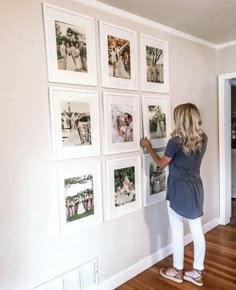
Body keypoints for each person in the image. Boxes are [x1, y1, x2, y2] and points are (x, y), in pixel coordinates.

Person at [140, 103, 208, 287]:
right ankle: (197, 273)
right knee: (197, 231)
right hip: (195, 189)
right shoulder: (203, 138)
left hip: (178, 190)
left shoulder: (175, 142)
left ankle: (177, 271)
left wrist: (148, 147)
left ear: (181, 119)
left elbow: (161, 165)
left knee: (178, 232)